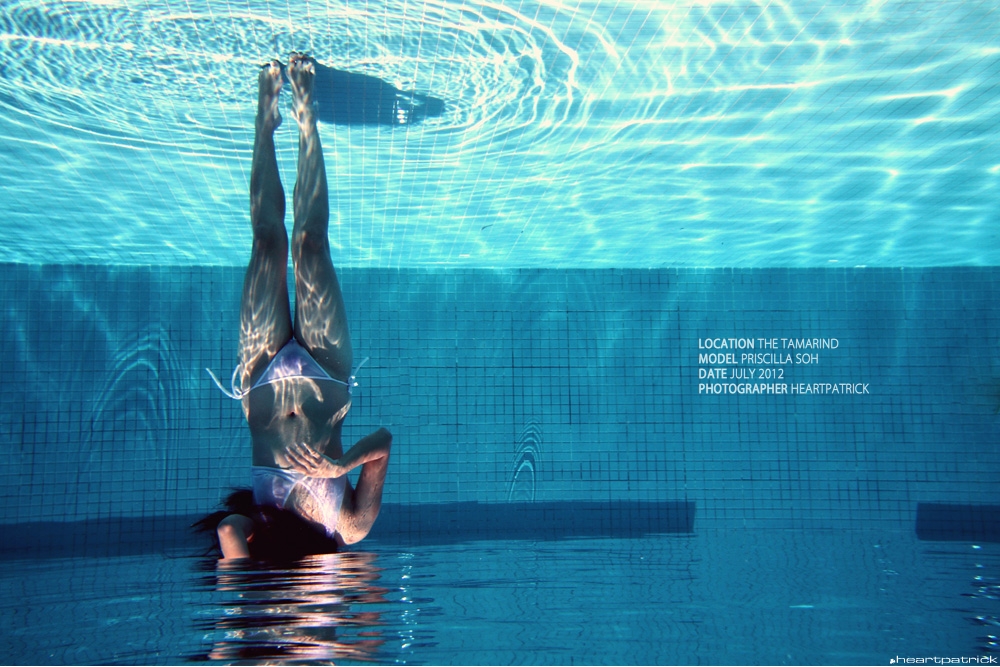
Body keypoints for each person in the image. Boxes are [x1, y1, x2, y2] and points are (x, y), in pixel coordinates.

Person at [201, 54, 392, 560]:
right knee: (309, 244)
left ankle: (264, 124)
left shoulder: (257, 538)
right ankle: (306, 120)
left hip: (261, 377)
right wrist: (339, 467)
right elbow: (383, 444)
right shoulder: (349, 529)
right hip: (326, 375)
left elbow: (226, 534)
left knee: (266, 243)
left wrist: (248, 609)